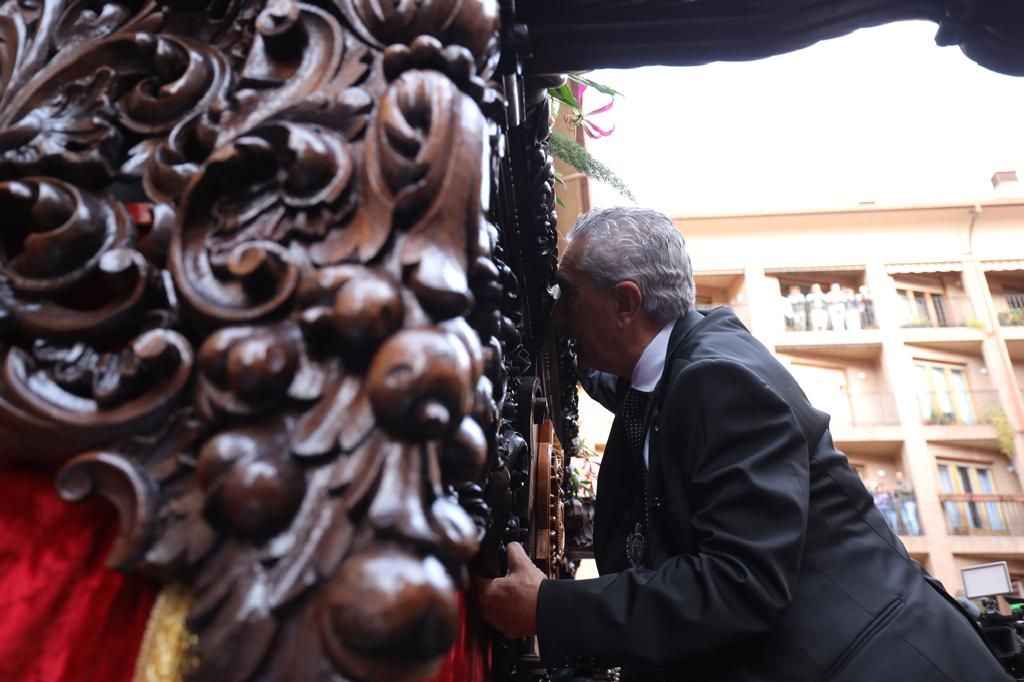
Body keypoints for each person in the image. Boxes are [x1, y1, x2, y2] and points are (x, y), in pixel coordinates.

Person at [474, 207, 1007, 681]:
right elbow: (627, 388)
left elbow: (739, 581)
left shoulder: (720, 380)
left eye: (567, 293)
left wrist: (550, 608)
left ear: (625, 302)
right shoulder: (671, 368)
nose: (558, 314)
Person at [894, 470, 921, 536]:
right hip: (902, 504)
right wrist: (895, 492)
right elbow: (897, 495)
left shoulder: (906, 482)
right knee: (905, 521)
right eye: (896, 476)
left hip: (909, 502)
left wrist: (898, 488)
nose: (897, 477)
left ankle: (916, 533)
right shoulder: (898, 484)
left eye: (898, 476)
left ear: (902, 476)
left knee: (911, 518)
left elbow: (909, 490)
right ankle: (911, 534)